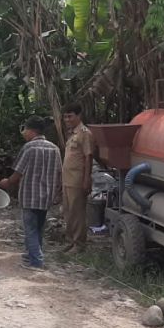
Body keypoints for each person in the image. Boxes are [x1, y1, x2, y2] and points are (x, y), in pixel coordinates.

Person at [0, 116, 62, 269]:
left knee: (30, 229)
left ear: (31, 130)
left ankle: (36, 261)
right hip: (46, 196)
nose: (23, 133)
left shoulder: (29, 148)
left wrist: (7, 182)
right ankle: (31, 255)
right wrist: (58, 192)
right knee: (38, 228)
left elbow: (18, 173)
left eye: (24, 129)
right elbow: (60, 173)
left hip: (30, 195)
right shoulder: (54, 148)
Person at [60, 101, 94, 253]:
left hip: (78, 179)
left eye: (70, 116)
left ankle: (79, 244)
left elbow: (88, 157)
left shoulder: (84, 133)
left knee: (77, 212)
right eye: (65, 117)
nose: (67, 120)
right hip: (67, 179)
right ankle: (70, 240)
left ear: (79, 116)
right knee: (68, 212)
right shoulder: (71, 134)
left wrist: (86, 179)